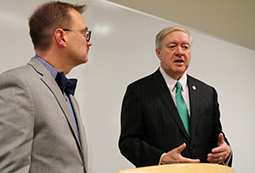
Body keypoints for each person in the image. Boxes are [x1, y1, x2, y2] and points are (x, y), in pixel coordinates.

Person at [118, 26, 232, 167]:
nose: (180, 52)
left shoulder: (208, 92)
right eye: (172, 47)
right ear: (158, 53)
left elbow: (216, 136)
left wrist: (225, 151)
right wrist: (161, 158)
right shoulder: (138, 90)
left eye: (185, 47)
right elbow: (128, 142)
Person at [0, 1, 92, 172]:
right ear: (61, 37)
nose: (89, 42)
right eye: (84, 33)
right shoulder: (19, 84)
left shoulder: (68, 94)